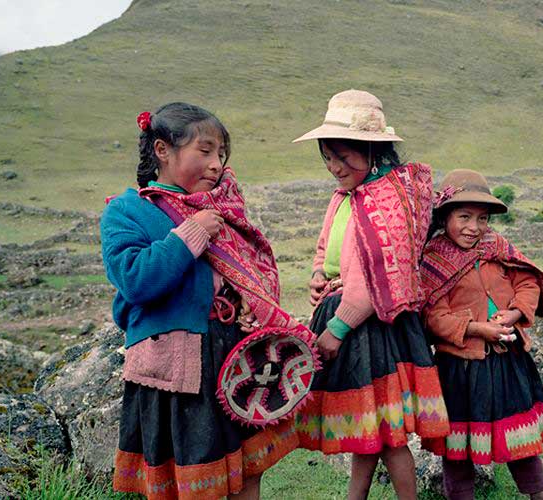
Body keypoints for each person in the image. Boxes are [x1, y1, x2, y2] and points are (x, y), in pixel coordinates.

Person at [102, 102, 297, 499]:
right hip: (176, 371)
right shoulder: (127, 212)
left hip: (231, 358)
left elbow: (245, 275)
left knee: (247, 469)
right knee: (189, 480)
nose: (216, 164)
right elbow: (136, 281)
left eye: (221, 155)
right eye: (205, 151)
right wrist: (190, 235)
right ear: (162, 150)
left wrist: (246, 306)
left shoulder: (222, 211)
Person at [291, 89, 449, 499]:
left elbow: (368, 284)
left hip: (373, 329)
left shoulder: (387, 202)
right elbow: (326, 247)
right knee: (369, 431)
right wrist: (317, 276)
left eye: (344, 157)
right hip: (345, 315)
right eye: (328, 158)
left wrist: (336, 330)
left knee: (390, 433)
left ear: (371, 150)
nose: (335, 167)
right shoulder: (344, 198)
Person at [419, 169, 543, 500]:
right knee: (458, 442)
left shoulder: (498, 246)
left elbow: (528, 283)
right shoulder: (433, 260)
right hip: (460, 366)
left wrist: (513, 313)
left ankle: (540, 493)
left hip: (508, 358)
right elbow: (430, 316)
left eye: (482, 218)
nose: (474, 227)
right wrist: (477, 329)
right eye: (464, 217)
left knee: (518, 429)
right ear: (445, 216)